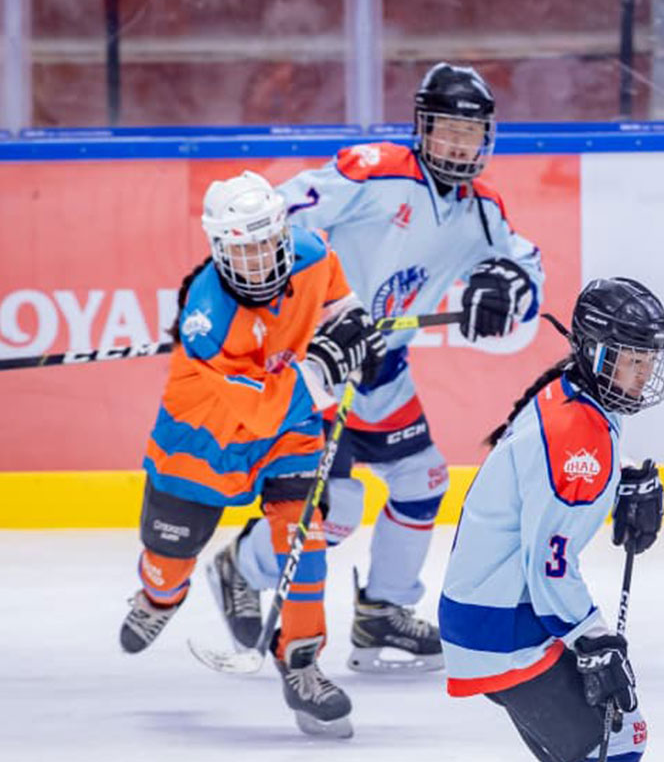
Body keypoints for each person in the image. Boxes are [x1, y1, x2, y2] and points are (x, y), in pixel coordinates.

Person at [207, 62, 546, 672]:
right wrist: (293, 302)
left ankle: (382, 610)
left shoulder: (483, 212)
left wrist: (505, 283)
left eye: (470, 135)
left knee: (424, 481)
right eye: (446, 130)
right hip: (321, 359)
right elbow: (282, 212)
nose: (457, 146)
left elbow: (528, 268)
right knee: (334, 505)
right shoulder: (377, 172)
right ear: (422, 128)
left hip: (382, 368)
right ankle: (241, 567)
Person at [439, 278, 664, 762]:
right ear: (595, 354)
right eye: (629, 358)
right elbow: (550, 569)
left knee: (610, 736)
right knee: (617, 738)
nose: (641, 372)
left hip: (494, 612)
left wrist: (623, 477)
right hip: (504, 625)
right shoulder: (578, 432)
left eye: (647, 359)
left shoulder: (576, 397)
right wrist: (592, 639)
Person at [119, 171, 386, 739]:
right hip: (202, 442)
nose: (260, 261)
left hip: (289, 433)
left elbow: (341, 304)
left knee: (304, 537)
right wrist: (325, 368)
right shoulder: (207, 318)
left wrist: (356, 331)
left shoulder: (313, 255)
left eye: (267, 244)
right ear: (220, 250)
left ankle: (303, 664)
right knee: (168, 559)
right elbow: (260, 409)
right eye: (243, 249)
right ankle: (158, 596)